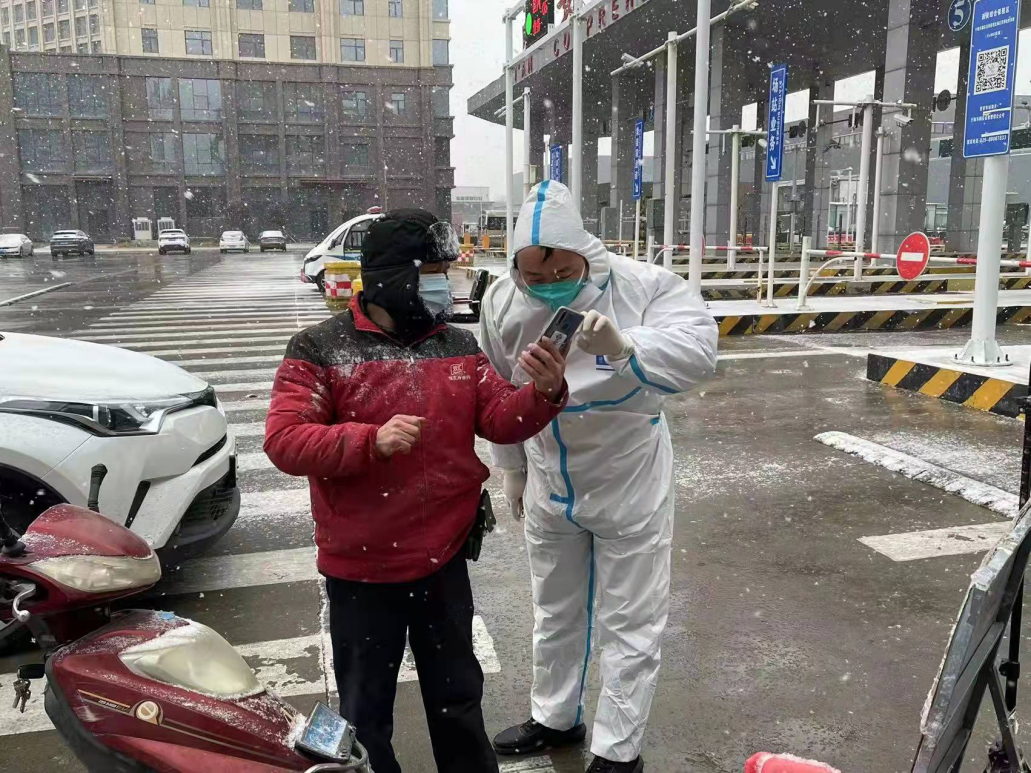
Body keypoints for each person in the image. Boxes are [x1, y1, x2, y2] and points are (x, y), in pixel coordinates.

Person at [263, 208, 569, 773]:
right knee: (364, 714)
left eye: (445, 273)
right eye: (433, 273)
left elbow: (500, 418)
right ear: (393, 276)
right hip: (361, 570)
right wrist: (368, 440)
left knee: (459, 700)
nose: (443, 285)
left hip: (443, 561)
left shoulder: (456, 344)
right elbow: (285, 441)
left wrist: (544, 393)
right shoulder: (320, 348)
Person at [481, 182, 718, 773]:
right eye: (536, 274)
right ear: (516, 268)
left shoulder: (644, 285)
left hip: (627, 474)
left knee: (630, 619)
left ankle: (618, 750)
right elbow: (496, 389)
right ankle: (554, 717)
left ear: (586, 252)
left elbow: (698, 352)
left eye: (563, 269)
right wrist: (511, 468)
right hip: (547, 474)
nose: (550, 282)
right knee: (554, 608)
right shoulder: (502, 301)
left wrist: (627, 345)